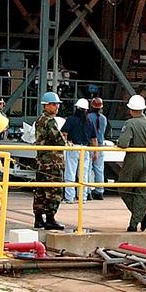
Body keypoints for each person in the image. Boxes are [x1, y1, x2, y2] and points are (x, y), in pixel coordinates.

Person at [117, 95, 146, 232]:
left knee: (123, 187)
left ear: (130, 109)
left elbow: (123, 143)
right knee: (142, 191)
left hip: (134, 158)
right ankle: (134, 223)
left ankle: (141, 212)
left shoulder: (130, 123)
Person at [33, 91, 64, 230]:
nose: (57, 107)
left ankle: (38, 219)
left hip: (41, 161)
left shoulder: (39, 120)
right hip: (52, 162)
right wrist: (66, 142)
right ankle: (50, 219)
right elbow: (59, 140)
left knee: (40, 191)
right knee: (54, 190)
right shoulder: (50, 121)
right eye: (54, 104)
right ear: (47, 105)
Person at [61, 98, 96, 203]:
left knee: (70, 173)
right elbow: (94, 139)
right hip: (85, 149)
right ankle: (82, 197)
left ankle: (69, 197)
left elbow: (64, 133)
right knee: (84, 174)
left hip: (73, 147)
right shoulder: (89, 121)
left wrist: (66, 142)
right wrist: (95, 152)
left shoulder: (71, 119)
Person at [89, 97, 107, 199]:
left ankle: (87, 191)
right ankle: (99, 191)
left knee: (87, 170)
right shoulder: (103, 118)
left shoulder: (88, 117)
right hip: (100, 146)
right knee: (99, 169)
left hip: (89, 145)